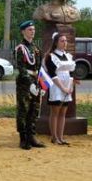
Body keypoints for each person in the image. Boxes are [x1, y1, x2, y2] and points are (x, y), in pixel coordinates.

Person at [13, 20, 45, 150]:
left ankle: (32, 136)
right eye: (30, 30)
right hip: (24, 83)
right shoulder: (20, 48)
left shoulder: (36, 48)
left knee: (34, 109)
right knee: (23, 110)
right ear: (23, 31)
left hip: (35, 81)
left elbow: (39, 68)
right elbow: (21, 68)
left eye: (34, 29)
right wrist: (30, 83)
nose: (33, 32)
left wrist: (42, 85)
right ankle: (23, 138)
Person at [43, 32, 76, 145]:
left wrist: (70, 87)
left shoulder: (68, 56)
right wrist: (62, 87)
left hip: (67, 87)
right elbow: (53, 75)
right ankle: (54, 137)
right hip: (57, 87)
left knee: (63, 113)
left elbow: (71, 73)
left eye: (65, 41)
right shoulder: (51, 56)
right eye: (62, 41)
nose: (65, 43)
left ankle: (61, 137)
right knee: (55, 112)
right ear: (56, 43)